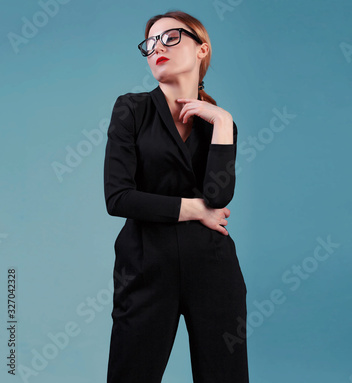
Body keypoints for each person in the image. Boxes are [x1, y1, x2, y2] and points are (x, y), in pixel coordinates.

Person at [103, 10, 249, 383]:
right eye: (150, 43)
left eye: (170, 37)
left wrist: (221, 122)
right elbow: (118, 198)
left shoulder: (221, 123)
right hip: (145, 266)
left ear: (202, 49)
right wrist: (194, 209)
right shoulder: (131, 109)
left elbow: (218, 195)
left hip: (214, 269)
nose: (157, 48)